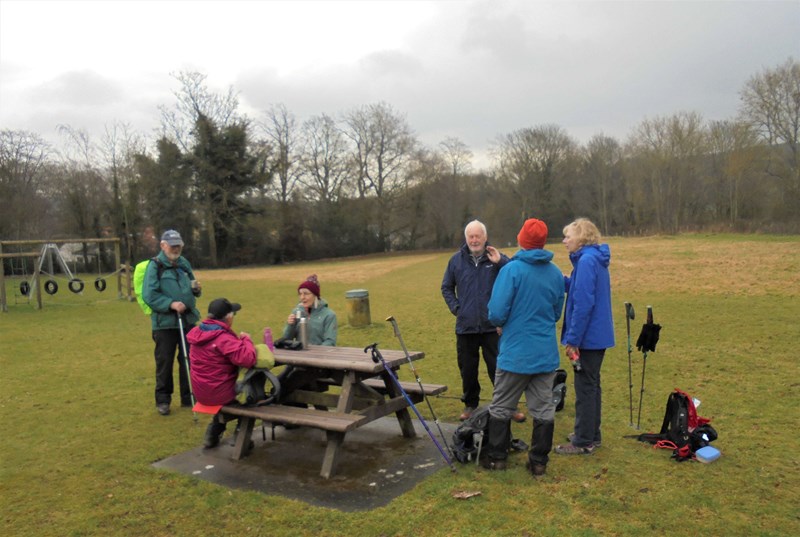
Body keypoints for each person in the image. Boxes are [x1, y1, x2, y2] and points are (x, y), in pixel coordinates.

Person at [483, 218, 565, 476]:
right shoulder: (555, 272)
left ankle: (497, 458)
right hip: (544, 354)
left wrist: (503, 323)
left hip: (515, 354)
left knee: (501, 405)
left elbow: (496, 313)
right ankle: (538, 462)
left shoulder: (511, 271)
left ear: (521, 240)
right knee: (543, 409)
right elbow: (555, 314)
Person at [441, 220, 526, 423]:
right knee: (468, 369)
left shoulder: (495, 258)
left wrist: (500, 262)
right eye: (471, 236)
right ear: (466, 238)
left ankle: (507, 405)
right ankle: (470, 404)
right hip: (466, 327)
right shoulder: (456, 261)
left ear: (485, 237)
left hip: (492, 327)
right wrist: (457, 309)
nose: (474, 239)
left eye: (478, 235)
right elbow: (446, 287)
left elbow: (515, 273)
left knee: (499, 368)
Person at [555, 218, 615, 455]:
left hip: (588, 338)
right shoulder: (590, 259)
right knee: (592, 385)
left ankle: (583, 441)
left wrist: (573, 339)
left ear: (580, 238)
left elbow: (583, 304)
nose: (564, 241)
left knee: (585, 388)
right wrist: (562, 280)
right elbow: (580, 288)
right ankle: (592, 434)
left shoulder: (588, 261)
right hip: (596, 336)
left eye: (568, 236)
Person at [187, 298, 272, 448]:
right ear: (228, 317)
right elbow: (248, 359)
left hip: (201, 392)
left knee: (232, 386)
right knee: (252, 390)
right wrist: (246, 339)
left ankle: (213, 432)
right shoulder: (223, 338)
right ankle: (241, 435)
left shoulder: (197, 333)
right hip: (219, 393)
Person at [142, 229, 201, 416]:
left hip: (188, 320)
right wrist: (171, 304)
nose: (176, 248)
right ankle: (163, 400)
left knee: (189, 360)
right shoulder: (155, 266)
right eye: (172, 245)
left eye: (178, 245)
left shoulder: (184, 263)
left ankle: (188, 396)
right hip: (165, 323)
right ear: (163, 245)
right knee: (164, 362)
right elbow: (149, 295)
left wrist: (197, 290)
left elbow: (191, 286)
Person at [281, 274, 337, 346]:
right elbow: (286, 339)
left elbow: (330, 342)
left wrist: (316, 354)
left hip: (320, 355)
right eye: (300, 294)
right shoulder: (296, 312)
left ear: (315, 295)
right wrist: (290, 325)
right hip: (299, 353)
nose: (302, 297)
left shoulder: (329, 315)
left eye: (306, 294)